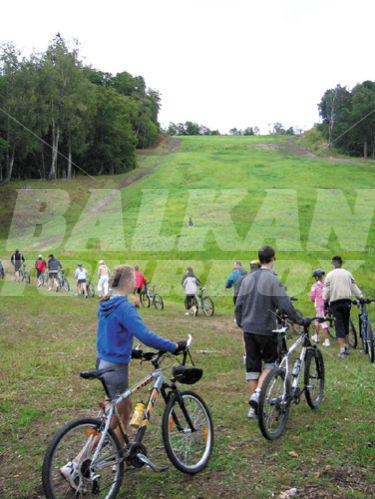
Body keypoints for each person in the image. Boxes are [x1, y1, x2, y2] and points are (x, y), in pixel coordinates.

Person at [60, 264, 187, 490]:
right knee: (118, 418)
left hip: (104, 361)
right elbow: (145, 335)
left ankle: (121, 457)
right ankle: (78, 463)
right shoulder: (124, 306)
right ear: (128, 282)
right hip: (115, 368)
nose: (136, 283)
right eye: (133, 280)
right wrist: (173, 346)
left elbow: (113, 333)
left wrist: (132, 351)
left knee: (119, 414)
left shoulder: (107, 303)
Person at [235, 245, 309, 419]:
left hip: (248, 329)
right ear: (273, 259)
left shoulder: (248, 278)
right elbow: (285, 305)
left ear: (259, 259)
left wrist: (241, 323)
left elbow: (239, 305)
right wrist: (299, 320)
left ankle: (254, 408)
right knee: (270, 364)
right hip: (266, 329)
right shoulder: (272, 279)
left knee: (252, 367)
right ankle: (258, 394)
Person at [323, 256, 363, 358]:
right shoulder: (348, 273)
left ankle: (342, 351)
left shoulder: (330, 275)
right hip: (347, 302)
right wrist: (360, 297)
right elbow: (354, 287)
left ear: (333, 263)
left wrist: (325, 301)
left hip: (335, 303)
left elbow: (326, 291)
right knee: (345, 323)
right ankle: (346, 347)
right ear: (341, 263)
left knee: (338, 325)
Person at [310, 269, 330, 347]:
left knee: (322, 322)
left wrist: (315, 300)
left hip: (319, 305)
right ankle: (316, 336)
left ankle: (327, 341)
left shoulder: (314, 286)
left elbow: (312, 297)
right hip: (326, 304)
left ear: (317, 277)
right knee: (317, 320)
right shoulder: (327, 285)